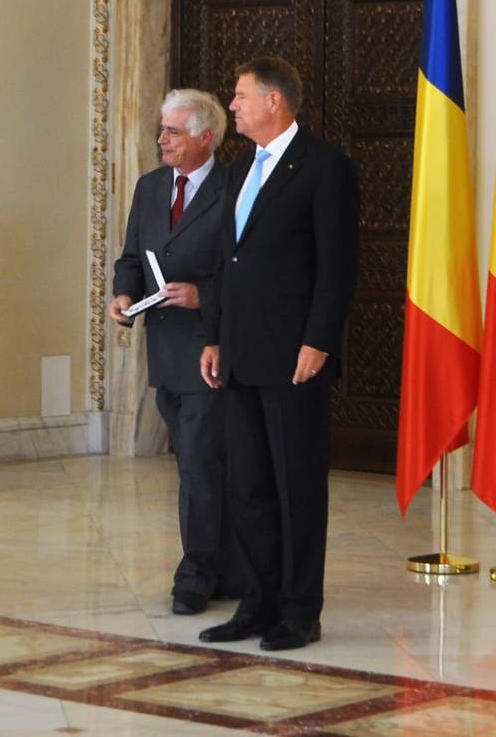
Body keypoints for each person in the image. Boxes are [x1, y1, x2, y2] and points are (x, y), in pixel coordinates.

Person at [197, 56, 359, 652]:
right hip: (240, 354)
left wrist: (318, 341)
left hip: (294, 356)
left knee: (296, 487)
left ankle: (299, 610)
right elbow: (227, 262)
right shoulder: (240, 170)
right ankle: (258, 603)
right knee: (248, 486)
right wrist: (214, 336)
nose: (232, 105)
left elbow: (337, 266)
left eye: (240, 96)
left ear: (274, 101)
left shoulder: (325, 166)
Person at [109, 88, 240, 615]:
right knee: (193, 462)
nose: (162, 139)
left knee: (201, 466)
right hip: (163, 350)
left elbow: (250, 271)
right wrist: (123, 294)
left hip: (211, 347)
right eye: (161, 129)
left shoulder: (234, 188)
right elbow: (130, 258)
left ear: (206, 137)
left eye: (173, 131)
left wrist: (203, 294)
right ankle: (225, 569)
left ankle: (197, 575)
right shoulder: (150, 186)